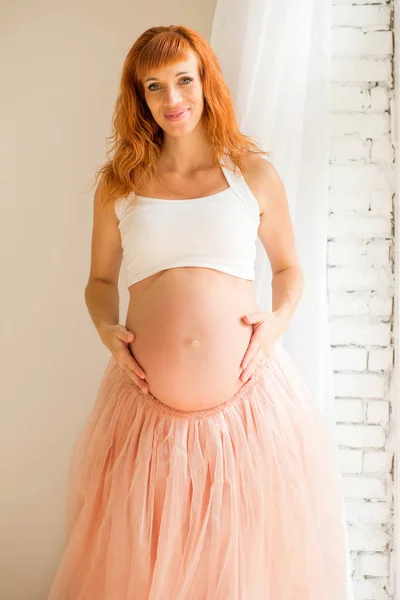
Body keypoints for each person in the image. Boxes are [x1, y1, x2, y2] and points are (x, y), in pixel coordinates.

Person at [47, 24, 349, 600]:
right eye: (154, 87)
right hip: (142, 413)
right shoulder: (121, 185)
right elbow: (100, 281)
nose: (172, 100)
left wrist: (275, 326)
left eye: (184, 80)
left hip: (248, 410)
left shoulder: (251, 174)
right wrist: (107, 328)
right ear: (139, 98)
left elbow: (289, 269)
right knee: (142, 563)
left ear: (206, 83)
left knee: (244, 564)